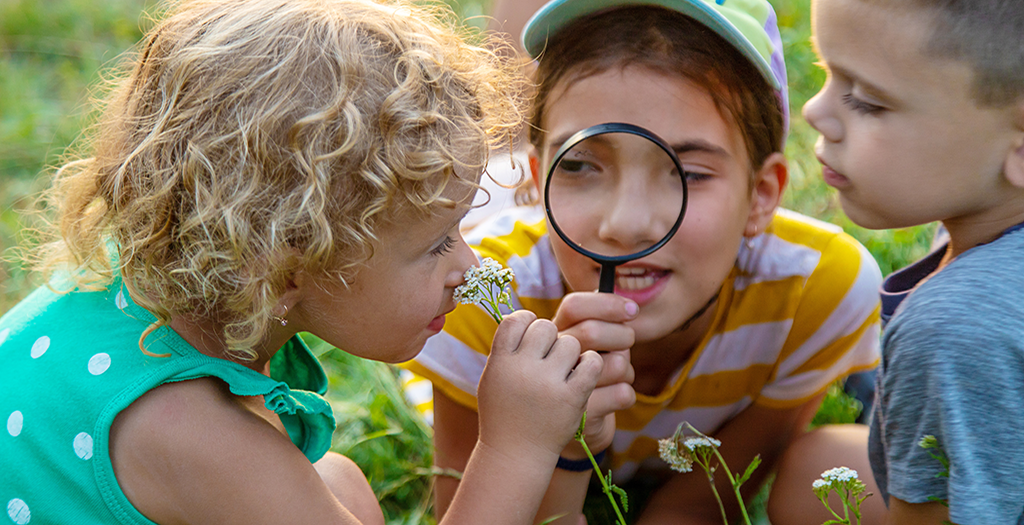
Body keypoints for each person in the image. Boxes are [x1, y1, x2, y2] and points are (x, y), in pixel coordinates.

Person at [0, 0, 606, 523]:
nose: (468, 267)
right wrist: (515, 446)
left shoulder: (139, 282)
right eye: (436, 244)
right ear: (286, 270)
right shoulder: (203, 440)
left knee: (335, 483)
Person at [405, 0, 884, 523]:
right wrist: (562, 445)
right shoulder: (476, 300)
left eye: (691, 174)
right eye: (581, 164)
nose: (628, 224)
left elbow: (697, 507)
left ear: (762, 195)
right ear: (539, 178)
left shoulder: (816, 294)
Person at [802, 0, 1024, 523]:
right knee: (812, 467)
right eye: (824, 72)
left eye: (865, 101)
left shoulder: (953, 329)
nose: (815, 112)